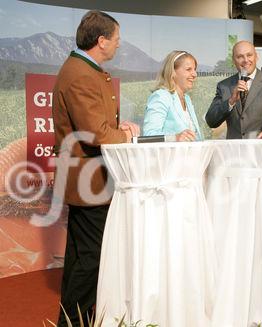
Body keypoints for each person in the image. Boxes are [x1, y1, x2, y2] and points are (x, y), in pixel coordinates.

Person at [52, 10, 140, 326]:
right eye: (116, 39)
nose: (118, 45)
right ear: (101, 41)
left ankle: (76, 319)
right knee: (91, 259)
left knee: (81, 257)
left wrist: (118, 126)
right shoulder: (81, 74)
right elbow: (95, 133)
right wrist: (126, 135)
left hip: (88, 180)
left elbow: (98, 123)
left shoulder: (83, 70)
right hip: (90, 182)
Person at [205, 40, 262, 139]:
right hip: (234, 151)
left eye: (249, 55)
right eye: (240, 57)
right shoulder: (224, 85)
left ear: (256, 56)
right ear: (233, 61)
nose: (245, 60)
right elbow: (211, 121)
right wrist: (231, 101)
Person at [143, 50, 203, 141]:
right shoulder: (161, 96)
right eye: (188, 69)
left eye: (195, 69)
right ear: (172, 72)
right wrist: (174, 138)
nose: (194, 74)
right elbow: (148, 135)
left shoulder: (187, 99)